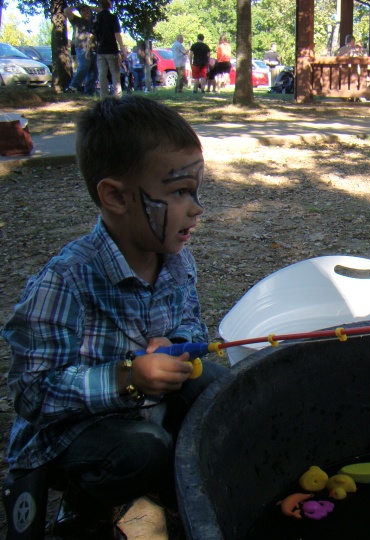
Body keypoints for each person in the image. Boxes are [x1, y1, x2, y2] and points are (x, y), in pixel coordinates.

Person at [1, 96, 229, 537]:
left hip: (151, 409)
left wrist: (176, 343)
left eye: (196, 191)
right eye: (180, 192)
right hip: (79, 432)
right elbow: (32, 394)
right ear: (116, 196)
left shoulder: (177, 261)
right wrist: (125, 378)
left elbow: (191, 324)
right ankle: (84, 510)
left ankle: (175, 489)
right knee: (143, 450)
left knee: (218, 389)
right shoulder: (66, 281)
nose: (196, 208)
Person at [91, 0, 125, 98]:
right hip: (112, 50)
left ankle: (104, 96)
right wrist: (122, 48)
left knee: (102, 74)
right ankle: (117, 96)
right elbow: (117, 34)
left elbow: (91, 35)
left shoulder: (96, 18)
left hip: (100, 50)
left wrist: (88, 48)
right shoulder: (113, 17)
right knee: (115, 73)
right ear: (110, 6)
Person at [63, 3, 99, 94]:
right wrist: (76, 7)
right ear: (80, 13)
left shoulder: (95, 21)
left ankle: (89, 92)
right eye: (83, 11)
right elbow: (66, 11)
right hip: (81, 48)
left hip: (94, 48)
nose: (86, 12)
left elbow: (103, 10)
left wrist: (89, 7)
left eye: (87, 10)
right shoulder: (76, 20)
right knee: (84, 66)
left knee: (93, 72)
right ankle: (73, 86)